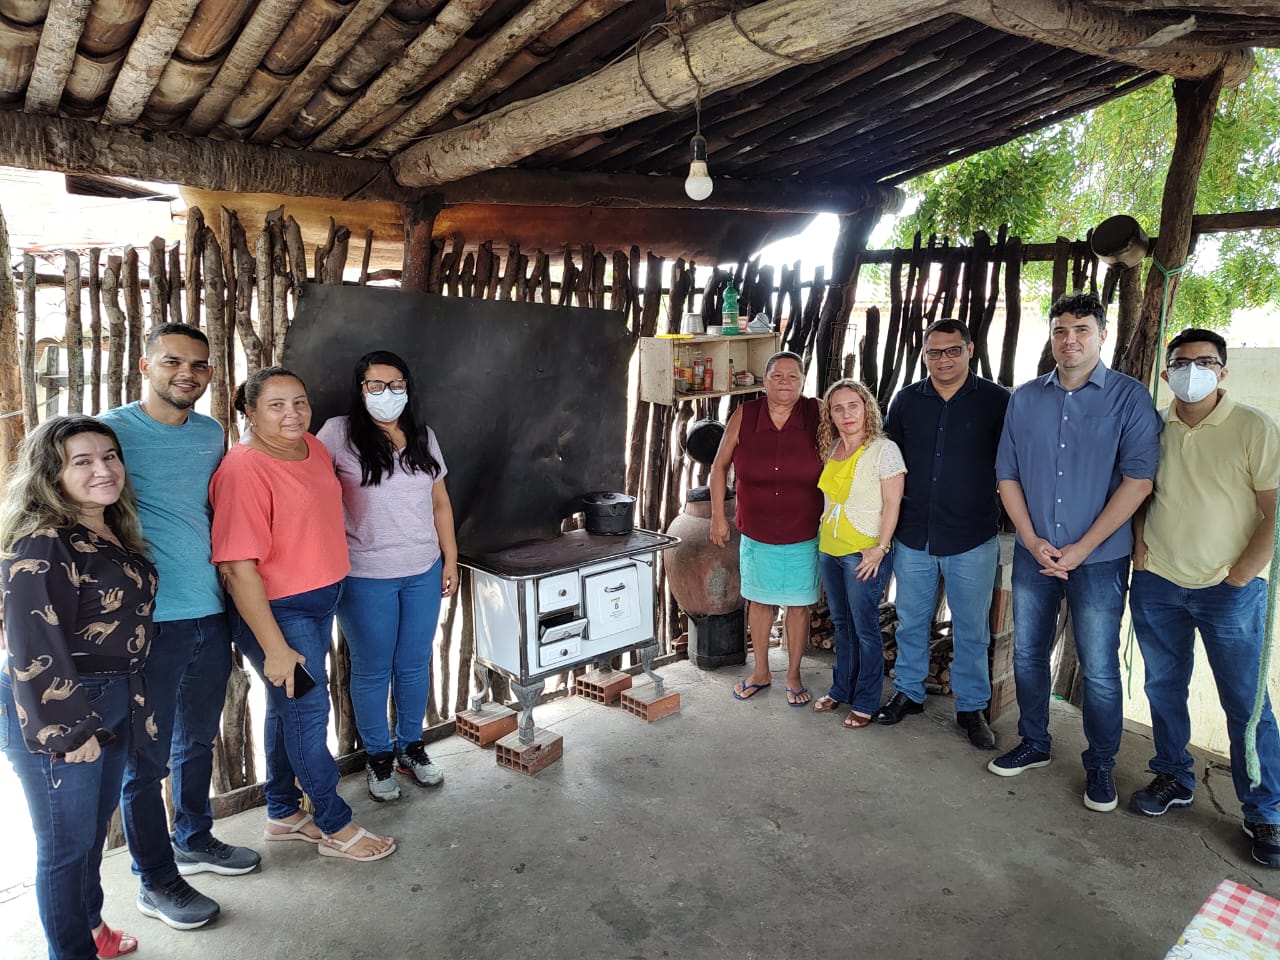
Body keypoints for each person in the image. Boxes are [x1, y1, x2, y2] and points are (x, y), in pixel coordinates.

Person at [101, 323, 255, 932]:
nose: (185, 373)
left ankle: (193, 837)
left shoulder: (213, 432)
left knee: (197, 740)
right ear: (145, 366)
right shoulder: (110, 433)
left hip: (208, 612)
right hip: (146, 627)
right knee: (145, 762)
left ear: (211, 374)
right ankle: (154, 880)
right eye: (172, 361)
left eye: (198, 364)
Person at [210, 366, 395, 862]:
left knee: (287, 709)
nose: (292, 413)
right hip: (278, 611)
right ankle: (334, 825)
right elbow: (237, 567)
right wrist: (273, 647)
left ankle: (283, 812)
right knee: (310, 713)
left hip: (320, 599)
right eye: (275, 405)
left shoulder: (312, 448)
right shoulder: (243, 469)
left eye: (299, 402)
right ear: (248, 412)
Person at [990, 291, 1160, 813]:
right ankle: (1035, 742)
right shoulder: (1024, 399)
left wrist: (1082, 549)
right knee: (1026, 652)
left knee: (1100, 665)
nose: (1070, 340)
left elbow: (1139, 482)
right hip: (1034, 552)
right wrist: (1033, 538)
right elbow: (1007, 475)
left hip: (1101, 558)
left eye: (1082, 329)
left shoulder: (1130, 399)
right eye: (1061, 330)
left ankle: (1101, 765)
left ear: (1101, 335)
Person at [0, 416, 156, 960]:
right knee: (65, 848)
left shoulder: (104, 527)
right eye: (82, 461)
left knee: (91, 832)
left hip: (110, 697)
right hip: (60, 704)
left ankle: (89, 928)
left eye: (109, 456)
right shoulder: (44, 543)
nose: (103, 469)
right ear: (51, 474)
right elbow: (29, 640)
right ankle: (72, 951)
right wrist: (67, 729)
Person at [1128, 328, 1280, 866]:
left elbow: (1274, 510)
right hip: (1159, 582)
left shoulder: (1254, 428)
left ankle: (1266, 810)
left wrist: (1240, 575)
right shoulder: (1153, 426)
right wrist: (1141, 549)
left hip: (1228, 590)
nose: (1193, 371)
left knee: (1245, 702)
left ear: (1223, 370)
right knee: (1164, 686)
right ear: (1166, 373)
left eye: (1206, 362)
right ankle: (1173, 774)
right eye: (1182, 363)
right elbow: (1139, 489)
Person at [317, 350, 459, 802]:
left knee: (415, 662)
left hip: (423, 568)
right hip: (365, 574)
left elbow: (440, 502)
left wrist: (450, 560)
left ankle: (411, 748)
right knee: (373, 668)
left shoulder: (422, 435)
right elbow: (307, 487)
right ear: (360, 389)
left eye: (396, 385)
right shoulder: (338, 434)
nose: (387, 394)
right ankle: (378, 757)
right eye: (375, 386)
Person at [878, 319, 1009, 749]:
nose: (943, 359)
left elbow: (1013, 464)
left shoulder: (996, 401)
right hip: (914, 533)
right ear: (924, 355)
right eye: (934, 352)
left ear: (970, 350)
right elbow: (889, 462)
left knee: (972, 628)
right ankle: (910, 692)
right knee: (911, 619)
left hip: (971, 534)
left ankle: (971, 707)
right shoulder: (906, 401)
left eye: (952, 350)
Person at [710, 351, 823, 706]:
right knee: (759, 601)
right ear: (766, 379)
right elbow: (719, 466)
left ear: (803, 381)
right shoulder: (746, 413)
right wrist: (717, 515)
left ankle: (792, 673)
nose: (785, 382)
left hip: (803, 528)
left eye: (793, 376)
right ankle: (760, 670)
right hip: (756, 529)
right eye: (777, 375)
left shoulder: (816, 412)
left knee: (798, 605)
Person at [809, 379, 905, 729]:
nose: (846, 413)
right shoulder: (833, 446)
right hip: (830, 550)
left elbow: (893, 505)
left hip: (862, 555)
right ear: (830, 415)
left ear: (867, 408)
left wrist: (880, 549)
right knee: (841, 624)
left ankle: (865, 701)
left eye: (854, 405)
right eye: (838, 407)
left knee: (865, 629)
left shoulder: (884, 450)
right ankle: (840, 689)